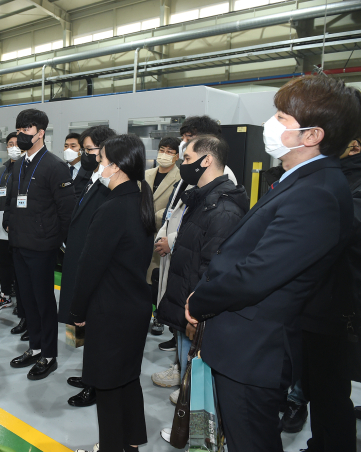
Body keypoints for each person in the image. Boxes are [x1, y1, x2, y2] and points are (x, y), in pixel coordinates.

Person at [185, 75, 360, 452]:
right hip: (246, 344)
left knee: (251, 439)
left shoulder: (318, 193)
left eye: (282, 117)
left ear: (312, 136)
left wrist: (199, 301)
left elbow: (256, 275)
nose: (271, 123)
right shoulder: (299, 181)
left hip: (255, 350)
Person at [155, 136, 249, 443]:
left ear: (206, 160)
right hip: (187, 301)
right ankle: (193, 433)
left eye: (187, 158)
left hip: (196, 309)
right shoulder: (202, 198)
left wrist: (197, 311)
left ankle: (201, 438)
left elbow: (214, 268)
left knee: (200, 377)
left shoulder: (222, 208)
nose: (183, 164)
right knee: (190, 373)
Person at [71, 134, 156, 452]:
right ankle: (130, 443)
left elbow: (89, 267)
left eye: (102, 159)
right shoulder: (138, 199)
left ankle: (111, 447)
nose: (98, 164)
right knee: (127, 379)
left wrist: (77, 313)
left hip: (110, 312)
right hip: (134, 306)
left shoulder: (112, 209)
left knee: (106, 385)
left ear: (118, 166)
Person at [151, 115, 237, 391]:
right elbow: (180, 212)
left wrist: (172, 241)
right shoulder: (193, 178)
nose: (181, 146)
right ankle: (181, 369)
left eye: (189, 138)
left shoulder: (223, 187)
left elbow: (209, 236)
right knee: (180, 327)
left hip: (191, 266)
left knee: (192, 335)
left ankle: (190, 388)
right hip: (180, 257)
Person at [294, 137, 361, 451]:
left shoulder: (347, 182)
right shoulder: (333, 176)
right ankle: (319, 442)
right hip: (316, 299)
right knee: (318, 387)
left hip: (337, 302)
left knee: (331, 391)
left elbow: (335, 228)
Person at [4, 108, 76, 381]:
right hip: (19, 243)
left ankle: (49, 355)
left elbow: (66, 212)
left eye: (27, 130)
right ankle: (34, 347)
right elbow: (13, 198)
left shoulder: (54, 166)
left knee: (44, 302)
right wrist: (10, 221)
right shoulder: (20, 164)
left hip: (42, 248)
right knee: (28, 302)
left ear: (41, 132)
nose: (22, 135)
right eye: (19, 130)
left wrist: (53, 240)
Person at [57, 125, 117, 408]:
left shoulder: (110, 184)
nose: (85, 155)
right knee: (84, 327)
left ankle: (95, 384)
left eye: (90, 150)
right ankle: (88, 375)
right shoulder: (91, 176)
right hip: (78, 257)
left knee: (96, 330)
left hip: (92, 266)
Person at [146, 137, 182, 336]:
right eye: (162, 149)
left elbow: (174, 209)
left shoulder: (179, 178)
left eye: (170, 151)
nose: (164, 154)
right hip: (143, 234)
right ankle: (146, 314)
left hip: (162, 234)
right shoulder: (147, 174)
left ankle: (158, 317)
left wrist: (150, 216)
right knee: (144, 279)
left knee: (159, 281)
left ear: (177, 156)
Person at [0, 133, 22, 315]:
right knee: (3, 262)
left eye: (17, 144)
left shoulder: (26, 169)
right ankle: (5, 294)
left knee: (19, 263)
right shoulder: (2, 171)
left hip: (18, 225)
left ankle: (21, 299)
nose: (13, 147)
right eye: (10, 144)